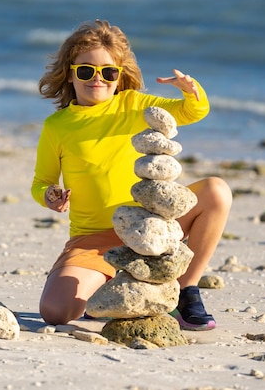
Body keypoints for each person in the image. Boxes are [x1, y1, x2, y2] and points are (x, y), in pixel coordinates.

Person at [31, 20, 232, 331]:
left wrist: (192, 91)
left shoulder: (135, 106)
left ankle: (186, 288)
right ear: (70, 73)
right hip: (93, 240)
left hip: (152, 226)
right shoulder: (57, 126)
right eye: (86, 71)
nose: (97, 79)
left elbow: (193, 112)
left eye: (108, 72)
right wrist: (49, 195)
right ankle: (121, 283)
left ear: (119, 75)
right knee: (56, 312)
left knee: (217, 191)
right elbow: (41, 181)